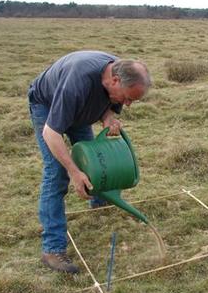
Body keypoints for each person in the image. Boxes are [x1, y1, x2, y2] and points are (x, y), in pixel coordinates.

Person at [27, 50, 150, 273]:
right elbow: (51, 133)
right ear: (115, 81)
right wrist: (74, 172)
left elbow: (107, 105)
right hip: (47, 105)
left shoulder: (118, 71)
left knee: (95, 161)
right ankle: (52, 249)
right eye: (128, 98)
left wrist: (108, 117)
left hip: (80, 108)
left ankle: (99, 202)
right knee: (56, 172)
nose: (128, 104)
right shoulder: (77, 83)